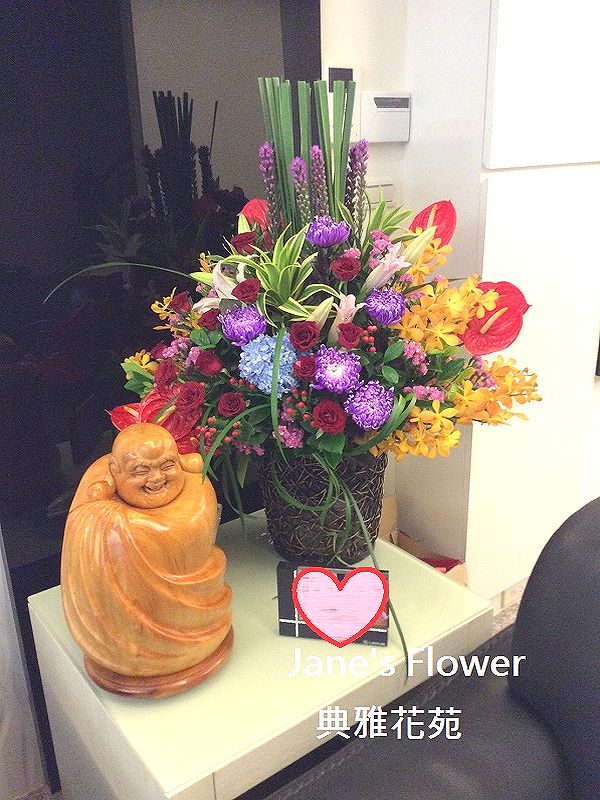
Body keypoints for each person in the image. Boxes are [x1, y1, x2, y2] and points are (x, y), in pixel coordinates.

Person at [61, 423, 232, 694]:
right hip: (126, 651)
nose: (156, 478)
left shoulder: (196, 499)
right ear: (115, 471)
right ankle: (134, 647)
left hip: (197, 630)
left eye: (167, 466)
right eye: (141, 471)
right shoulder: (100, 517)